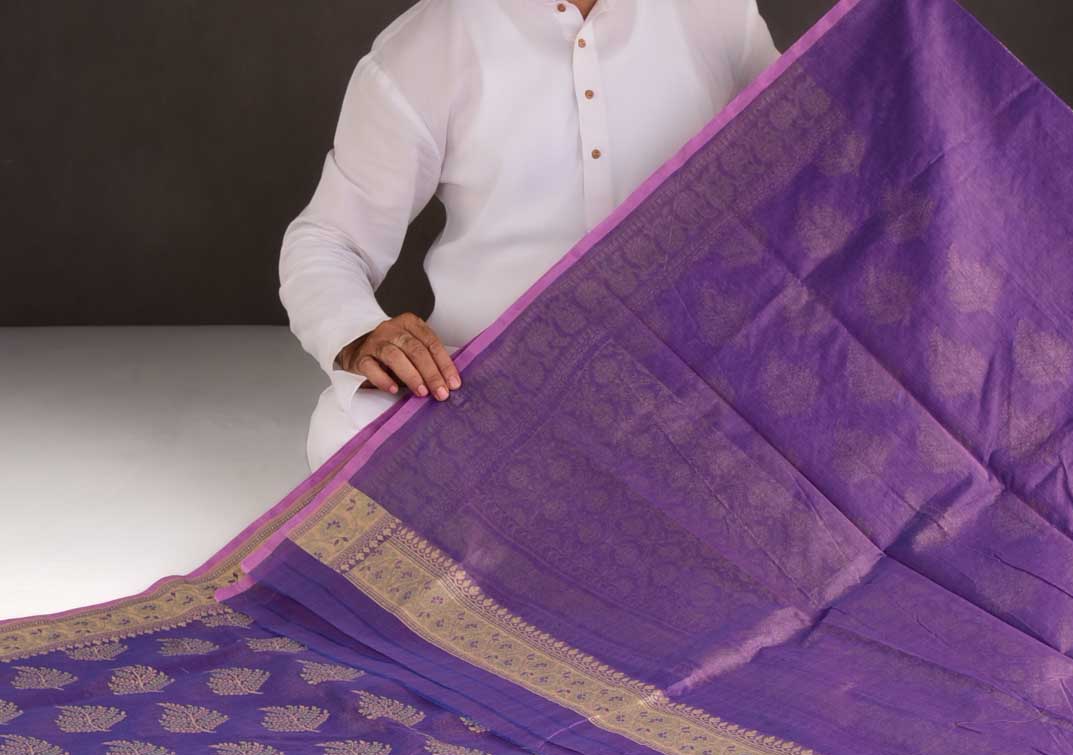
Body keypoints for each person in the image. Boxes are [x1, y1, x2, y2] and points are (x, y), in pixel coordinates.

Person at [281, 0, 780, 471]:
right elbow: (329, 237)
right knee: (347, 432)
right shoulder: (428, 45)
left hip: (694, 375)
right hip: (489, 387)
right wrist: (360, 333)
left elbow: (801, 159)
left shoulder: (716, 11)